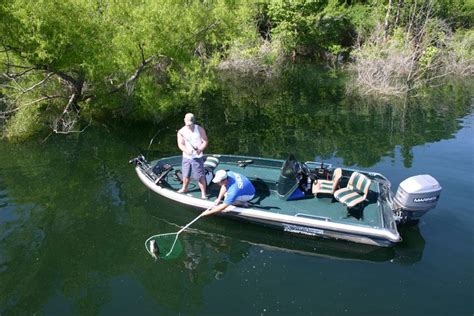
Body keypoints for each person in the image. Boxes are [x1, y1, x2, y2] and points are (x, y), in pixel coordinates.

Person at [177, 113, 208, 199]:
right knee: (186, 174)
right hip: (186, 157)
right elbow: (180, 144)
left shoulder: (200, 129)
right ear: (184, 121)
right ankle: (184, 188)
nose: (189, 126)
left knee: (200, 176)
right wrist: (187, 151)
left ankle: (203, 194)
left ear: (193, 121)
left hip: (197, 158)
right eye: (187, 124)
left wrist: (200, 149)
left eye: (190, 124)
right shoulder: (181, 131)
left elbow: (205, 141)